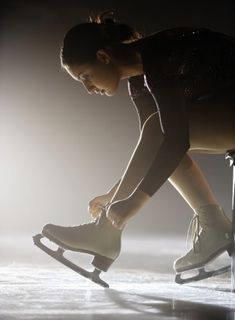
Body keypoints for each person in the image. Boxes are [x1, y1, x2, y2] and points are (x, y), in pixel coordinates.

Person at [41, 12, 235, 277]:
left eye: (85, 76)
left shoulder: (159, 56)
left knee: (162, 130)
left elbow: (175, 139)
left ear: (103, 57)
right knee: (158, 133)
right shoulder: (138, 80)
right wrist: (115, 194)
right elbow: (152, 147)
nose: (88, 88)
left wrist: (135, 202)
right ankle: (214, 225)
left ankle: (104, 235)